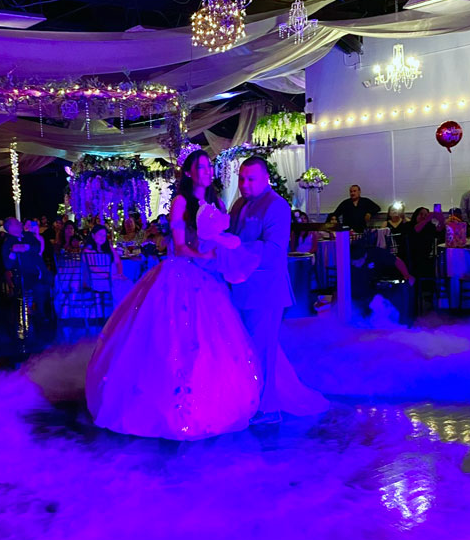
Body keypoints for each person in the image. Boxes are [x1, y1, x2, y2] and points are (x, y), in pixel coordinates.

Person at [86, 150, 263, 439]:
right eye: (202, 167)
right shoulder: (181, 201)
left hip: (209, 277)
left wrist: (222, 252)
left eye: (209, 166)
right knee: (176, 337)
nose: (207, 171)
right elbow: (179, 245)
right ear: (190, 173)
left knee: (211, 340)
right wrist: (202, 257)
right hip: (184, 273)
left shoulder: (217, 201)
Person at [229, 157, 328, 418]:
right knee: (248, 348)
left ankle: (267, 407)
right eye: (242, 178)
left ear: (265, 179)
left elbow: (274, 251)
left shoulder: (276, 206)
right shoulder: (239, 204)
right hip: (241, 289)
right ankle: (252, 400)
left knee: (263, 350)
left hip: (265, 291)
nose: (244, 185)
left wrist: (235, 248)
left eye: (251, 179)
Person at [406, 207, 445, 278]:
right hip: (412, 256)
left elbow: (440, 232)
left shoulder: (429, 227)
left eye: (426, 215)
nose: (423, 216)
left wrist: (441, 218)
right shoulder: (409, 225)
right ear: (416, 215)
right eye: (421, 214)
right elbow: (416, 230)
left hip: (427, 256)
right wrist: (428, 218)